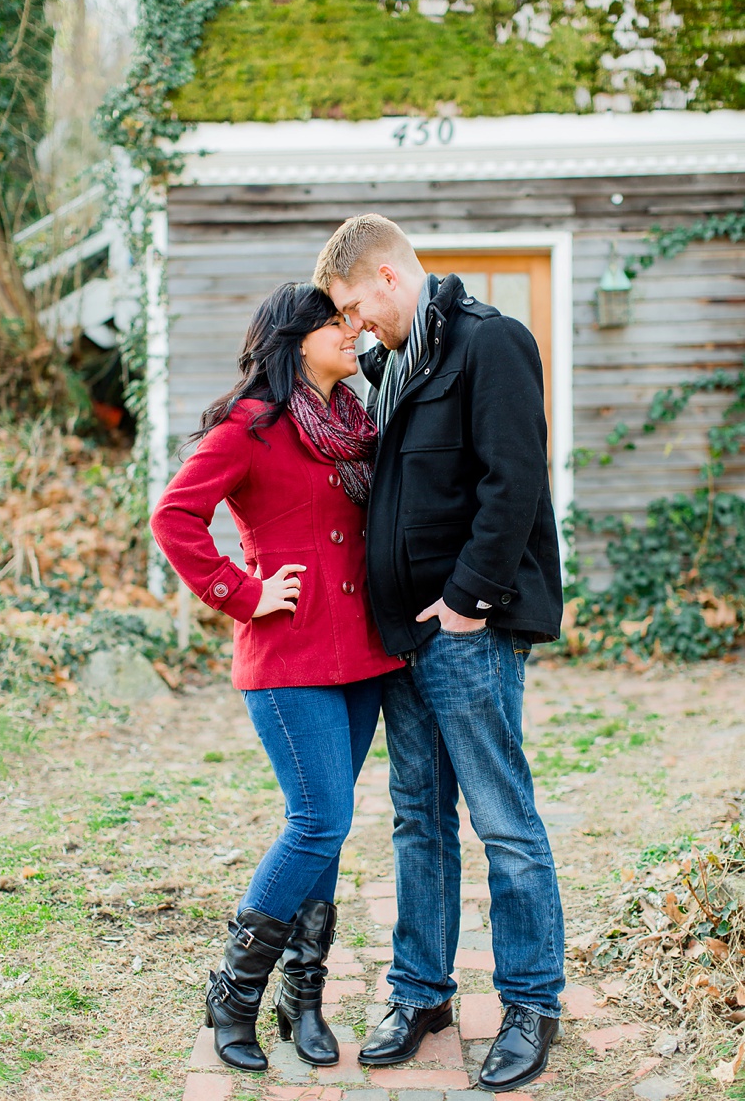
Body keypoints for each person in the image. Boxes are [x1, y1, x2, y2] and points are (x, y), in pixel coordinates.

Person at [316, 213, 565, 1094]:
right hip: (403, 637)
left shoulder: (489, 344)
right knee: (419, 817)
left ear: (387, 277)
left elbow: (514, 480)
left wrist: (466, 602)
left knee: (502, 818)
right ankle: (420, 992)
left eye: (353, 306)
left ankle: (532, 1000)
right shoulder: (392, 368)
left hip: (469, 630)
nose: (354, 327)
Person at [151, 282, 404, 1073]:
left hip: (363, 654)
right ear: (294, 338)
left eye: (355, 320)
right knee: (318, 818)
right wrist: (243, 591)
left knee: (326, 825)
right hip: (289, 657)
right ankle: (234, 992)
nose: (352, 332)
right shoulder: (249, 427)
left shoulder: (359, 425)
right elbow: (173, 517)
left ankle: (306, 994)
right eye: (337, 322)